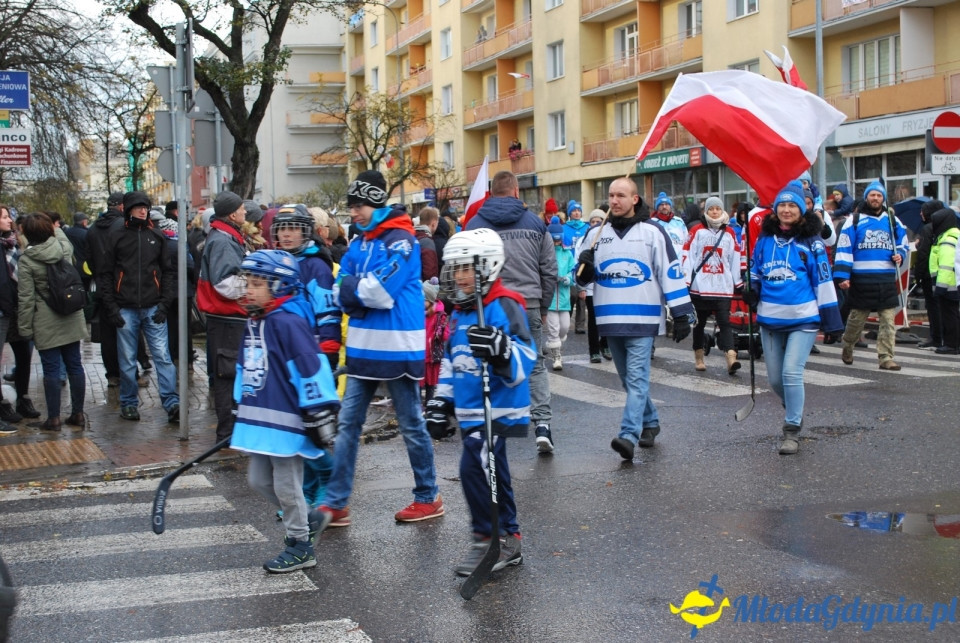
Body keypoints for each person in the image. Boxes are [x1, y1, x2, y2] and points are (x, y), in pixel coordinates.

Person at [324, 170, 442, 526]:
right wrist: (356, 293)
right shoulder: (359, 242)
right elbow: (339, 288)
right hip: (362, 351)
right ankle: (337, 501)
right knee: (347, 425)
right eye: (351, 206)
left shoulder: (402, 241)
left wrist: (354, 293)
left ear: (376, 203)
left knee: (410, 425)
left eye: (358, 205)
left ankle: (428, 495)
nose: (353, 213)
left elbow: (378, 291)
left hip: (396, 351)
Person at [426, 228, 536, 577]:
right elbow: (451, 360)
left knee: (475, 468)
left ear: (487, 266)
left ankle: (491, 537)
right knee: (491, 471)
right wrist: (440, 402)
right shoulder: (460, 311)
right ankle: (505, 537)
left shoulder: (504, 304)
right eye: (455, 269)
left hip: (499, 407)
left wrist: (502, 352)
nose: (458, 276)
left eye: (465, 268)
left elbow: (526, 355)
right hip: (472, 408)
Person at [229, 249, 340, 573]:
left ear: (280, 286)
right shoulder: (255, 321)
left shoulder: (289, 323)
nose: (249, 289)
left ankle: (300, 544)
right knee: (258, 481)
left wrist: (318, 409)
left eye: (257, 283)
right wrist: (240, 401)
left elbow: (310, 368)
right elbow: (245, 368)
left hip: (288, 420)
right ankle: (309, 519)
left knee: (287, 485)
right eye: (247, 281)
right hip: (262, 420)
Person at [576, 177, 693, 460]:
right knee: (629, 380)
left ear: (635, 199)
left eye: (621, 196)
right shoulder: (596, 233)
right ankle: (650, 422)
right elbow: (579, 281)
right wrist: (585, 270)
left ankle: (629, 434)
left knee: (637, 379)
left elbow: (670, 270)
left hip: (642, 317)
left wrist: (680, 313)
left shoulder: (652, 232)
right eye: (611, 195)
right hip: (608, 318)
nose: (614, 201)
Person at [743, 181, 843, 455]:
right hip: (770, 320)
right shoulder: (763, 241)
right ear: (775, 210)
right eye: (782, 205)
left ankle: (791, 429)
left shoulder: (812, 243)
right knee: (775, 380)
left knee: (791, 373)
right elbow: (754, 270)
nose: (786, 210)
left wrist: (832, 321)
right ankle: (795, 411)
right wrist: (751, 289)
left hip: (803, 318)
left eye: (792, 206)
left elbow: (823, 280)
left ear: (802, 210)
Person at [465, 170, 558, 453]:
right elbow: (549, 270)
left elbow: (462, 269)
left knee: (489, 364)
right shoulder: (535, 224)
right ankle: (542, 426)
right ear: (517, 191)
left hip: (489, 306)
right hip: (527, 303)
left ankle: (497, 428)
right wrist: (543, 305)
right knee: (536, 365)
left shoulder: (473, 224)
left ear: (491, 193)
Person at [97, 192, 180, 423]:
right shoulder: (117, 235)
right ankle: (129, 403)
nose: (143, 211)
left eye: (145, 207)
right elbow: (104, 273)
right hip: (125, 307)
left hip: (154, 306)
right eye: (138, 207)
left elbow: (168, 272)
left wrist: (165, 303)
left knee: (163, 357)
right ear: (128, 210)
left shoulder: (157, 235)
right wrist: (112, 307)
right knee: (127, 359)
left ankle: (172, 403)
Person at [15, 213, 87, 432]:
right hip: (71, 315)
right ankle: (78, 413)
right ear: (50, 230)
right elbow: (64, 239)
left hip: (45, 320)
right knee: (75, 364)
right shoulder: (62, 249)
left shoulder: (27, 260)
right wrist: (52, 228)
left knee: (51, 370)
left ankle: (53, 418)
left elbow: (26, 298)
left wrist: (24, 328)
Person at [833, 181, 907, 371]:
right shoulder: (854, 220)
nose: (875, 198)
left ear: (883, 198)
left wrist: (900, 253)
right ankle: (848, 346)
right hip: (861, 280)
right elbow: (844, 248)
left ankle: (886, 357)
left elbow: (902, 242)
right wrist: (843, 276)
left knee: (888, 321)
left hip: (886, 279)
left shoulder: (892, 220)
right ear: (867, 197)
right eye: (872, 195)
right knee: (857, 320)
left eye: (879, 195)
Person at [198, 191, 249, 441]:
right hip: (227, 319)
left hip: (228, 318)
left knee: (229, 374)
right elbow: (225, 283)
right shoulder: (223, 240)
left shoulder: (226, 236)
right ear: (232, 213)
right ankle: (227, 433)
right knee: (227, 375)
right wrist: (257, 286)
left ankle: (231, 431)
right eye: (242, 208)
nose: (245, 212)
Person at [682, 196, 742, 374]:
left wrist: (737, 281)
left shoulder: (730, 232)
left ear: (722, 210)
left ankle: (731, 358)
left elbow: (735, 257)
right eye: (711, 209)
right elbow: (687, 254)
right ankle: (699, 357)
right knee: (699, 324)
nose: (714, 211)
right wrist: (686, 280)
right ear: (706, 211)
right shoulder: (696, 230)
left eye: (717, 208)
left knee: (725, 323)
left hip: (722, 286)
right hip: (700, 287)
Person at [579, 209, 610, 363]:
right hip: (591, 286)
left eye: (599, 221)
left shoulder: (609, 234)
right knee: (593, 319)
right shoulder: (589, 235)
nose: (596, 224)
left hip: (606, 285)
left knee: (606, 317)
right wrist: (582, 287)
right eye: (593, 221)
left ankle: (605, 344)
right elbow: (580, 262)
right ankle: (594, 351)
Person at [914, 200, 945, 349]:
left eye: (923, 211)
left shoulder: (927, 229)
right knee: (943, 307)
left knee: (933, 307)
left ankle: (936, 337)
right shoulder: (945, 228)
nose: (921, 213)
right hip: (944, 274)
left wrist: (917, 275)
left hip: (928, 274)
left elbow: (923, 254)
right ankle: (944, 337)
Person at [545, 217, 575, 371]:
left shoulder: (567, 253)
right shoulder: (544, 253)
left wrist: (568, 279)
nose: (556, 242)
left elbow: (572, 271)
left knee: (565, 327)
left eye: (558, 239)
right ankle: (556, 356)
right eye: (553, 239)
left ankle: (556, 343)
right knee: (553, 329)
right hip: (550, 298)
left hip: (563, 297)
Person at [929, 207, 959, 354]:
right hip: (952, 284)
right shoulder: (952, 235)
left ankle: (951, 344)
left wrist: (940, 288)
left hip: (949, 285)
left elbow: (946, 266)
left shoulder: (947, 239)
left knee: (950, 315)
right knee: (952, 314)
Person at [563, 201, 588, 334]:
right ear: (570, 213)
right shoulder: (564, 228)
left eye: (579, 210)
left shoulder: (586, 227)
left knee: (582, 296)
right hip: (569, 265)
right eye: (574, 210)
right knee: (572, 295)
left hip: (583, 265)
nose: (577, 212)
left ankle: (580, 325)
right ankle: (566, 320)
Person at [414, 206, 440, 281]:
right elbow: (429, 272)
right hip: (424, 288)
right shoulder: (427, 242)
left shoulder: (412, 236)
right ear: (433, 224)